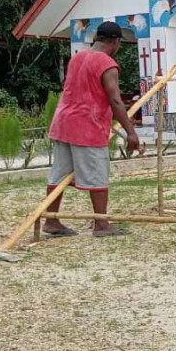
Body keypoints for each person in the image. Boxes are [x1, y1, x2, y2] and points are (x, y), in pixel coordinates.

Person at [42, 22, 140, 237]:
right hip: (87, 126)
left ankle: (51, 220)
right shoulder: (107, 64)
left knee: (58, 175)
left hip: (63, 123)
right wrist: (131, 132)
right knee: (97, 175)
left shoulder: (77, 57)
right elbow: (115, 101)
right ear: (115, 42)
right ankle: (102, 224)